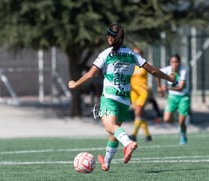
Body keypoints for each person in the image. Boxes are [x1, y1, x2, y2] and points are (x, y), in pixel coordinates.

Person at [68, 23, 175, 172]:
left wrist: (75, 84)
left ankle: (128, 143)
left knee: (109, 126)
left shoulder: (106, 54)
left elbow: (90, 74)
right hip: (124, 100)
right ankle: (106, 163)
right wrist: (170, 79)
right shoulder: (132, 54)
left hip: (110, 97)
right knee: (114, 132)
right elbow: (154, 71)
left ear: (110, 38)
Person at [156, 54, 190, 145]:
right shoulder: (167, 69)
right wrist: (159, 87)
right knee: (166, 119)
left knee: (182, 122)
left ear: (180, 62)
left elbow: (181, 88)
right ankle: (176, 117)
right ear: (170, 63)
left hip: (184, 97)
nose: (175, 64)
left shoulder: (184, 70)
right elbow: (156, 73)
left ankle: (183, 135)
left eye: (177, 62)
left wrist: (166, 88)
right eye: (173, 62)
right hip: (172, 97)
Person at [129, 47, 160, 142]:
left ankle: (133, 134)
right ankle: (148, 135)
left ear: (141, 54)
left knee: (138, 112)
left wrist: (159, 86)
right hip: (133, 92)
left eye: (138, 53)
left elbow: (155, 72)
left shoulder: (145, 64)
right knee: (139, 114)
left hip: (143, 92)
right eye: (134, 53)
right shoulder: (130, 65)